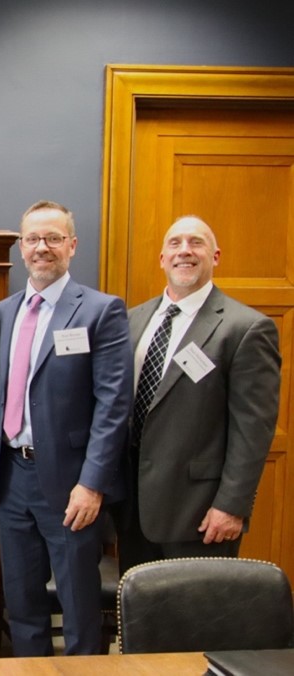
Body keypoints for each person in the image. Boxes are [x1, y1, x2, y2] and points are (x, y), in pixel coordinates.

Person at [0, 200, 132, 656]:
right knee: (22, 604)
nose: (41, 248)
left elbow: (113, 404)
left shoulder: (101, 311)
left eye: (52, 238)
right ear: (20, 248)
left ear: (72, 244)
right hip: (11, 478)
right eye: (32, 239)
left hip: (71, 486)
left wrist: (92, 484)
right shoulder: (3, 313)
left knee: (79, 606)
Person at [117, 216, 280, 571]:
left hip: (201, 513)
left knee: (195, 622)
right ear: (162, 258)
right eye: (175, 243)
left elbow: (253, 430)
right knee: (141, 617)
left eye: (196, 243)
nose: (184, 251)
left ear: (216, 256)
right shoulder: (132, 320)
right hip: (132, 509)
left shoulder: (245, 327)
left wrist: (232, 506)